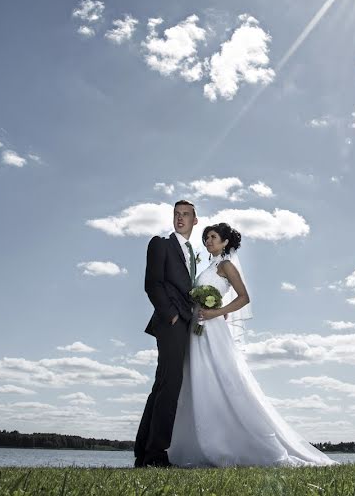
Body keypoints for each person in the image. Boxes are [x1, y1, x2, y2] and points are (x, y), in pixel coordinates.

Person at [168, 222, 335, 467]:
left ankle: (230, 442)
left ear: (225, 242)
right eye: (206, 238)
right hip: (197, 328)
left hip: (212, 328)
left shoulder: (226, 266)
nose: (208, 241)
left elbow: (244, 297)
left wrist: (218, 312)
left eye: (213, 237)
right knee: (197, 379)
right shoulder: (208, 267)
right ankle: (193, 443)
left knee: (223, 378)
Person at [134, 200, 198, 468]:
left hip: (187, 324)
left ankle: (144, 451)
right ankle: (156, 454)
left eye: (185, 215)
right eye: (176, 214)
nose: (180, 218)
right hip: (171, 322)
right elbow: (152, 283)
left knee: (163, 384)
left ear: (195, 220)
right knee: (169, 385)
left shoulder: (195, 253)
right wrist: (171, 315)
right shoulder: (160, 243)